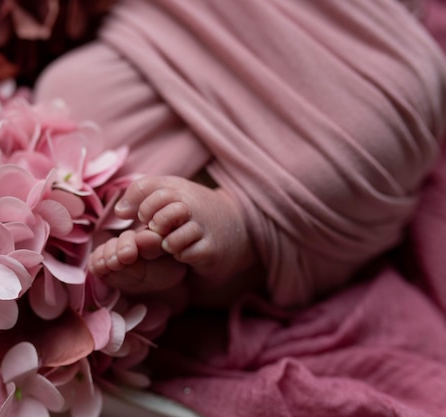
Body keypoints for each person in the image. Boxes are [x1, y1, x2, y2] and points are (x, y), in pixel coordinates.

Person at [34, 0, 446, 415]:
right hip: (178, 35)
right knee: (68, 89)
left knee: (393, 105)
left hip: (363, 44)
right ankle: (186, 243)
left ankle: (236, 222)